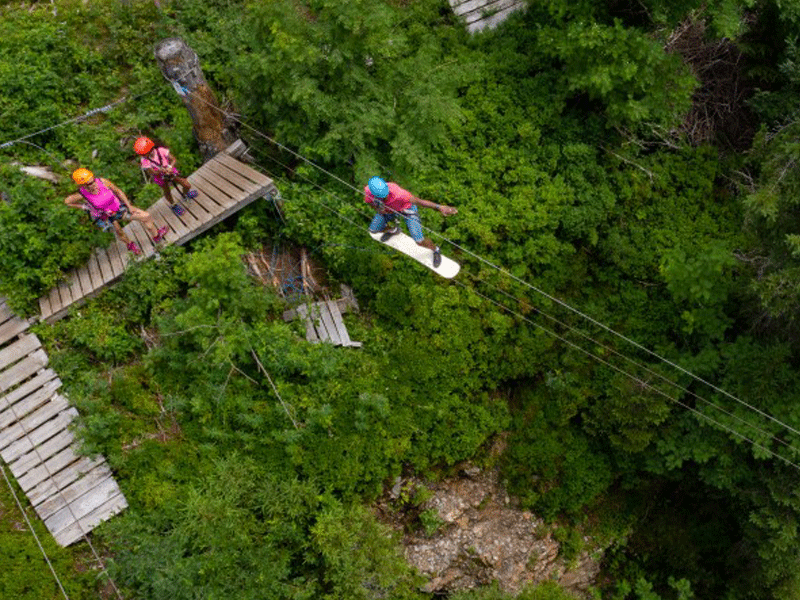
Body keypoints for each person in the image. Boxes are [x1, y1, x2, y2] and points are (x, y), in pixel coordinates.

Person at [64, 168, 168, 256]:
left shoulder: (102, 182)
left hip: (119, 209)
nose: (93, 183)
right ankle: (130, 244)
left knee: (146, 216)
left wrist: (129, 206)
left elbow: (118, 191)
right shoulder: (83, 194)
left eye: (93, 180)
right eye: (89, 183)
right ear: (83, 185)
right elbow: (67, 202)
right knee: (119, 231)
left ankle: (156, 236)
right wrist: (84, 207)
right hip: (105, 215)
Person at [364, 176, 457, 267]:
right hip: (389, 210)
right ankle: (394, 230)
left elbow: (419, 201)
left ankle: (435, 250)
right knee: (374, 229)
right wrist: (378, 209)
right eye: (383, 196)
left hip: (407, 210)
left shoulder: (400, 194)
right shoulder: (369, 192)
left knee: (419, 240)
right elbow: (370, 203)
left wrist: (439, 207)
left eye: (386, 193)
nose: (386, 196)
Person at [134, 136, 198, 216]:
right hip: (160, 177)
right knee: (167, 191)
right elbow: (153, 172)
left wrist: (170, 167)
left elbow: (173, 159)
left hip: (170, 172)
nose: (143, 156)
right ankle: (173, 205)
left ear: (150, 149)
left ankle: (185, 194)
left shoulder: (160, 151)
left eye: (144, 154)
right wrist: (161, 170)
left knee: (186, 185)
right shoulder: (144, 161)